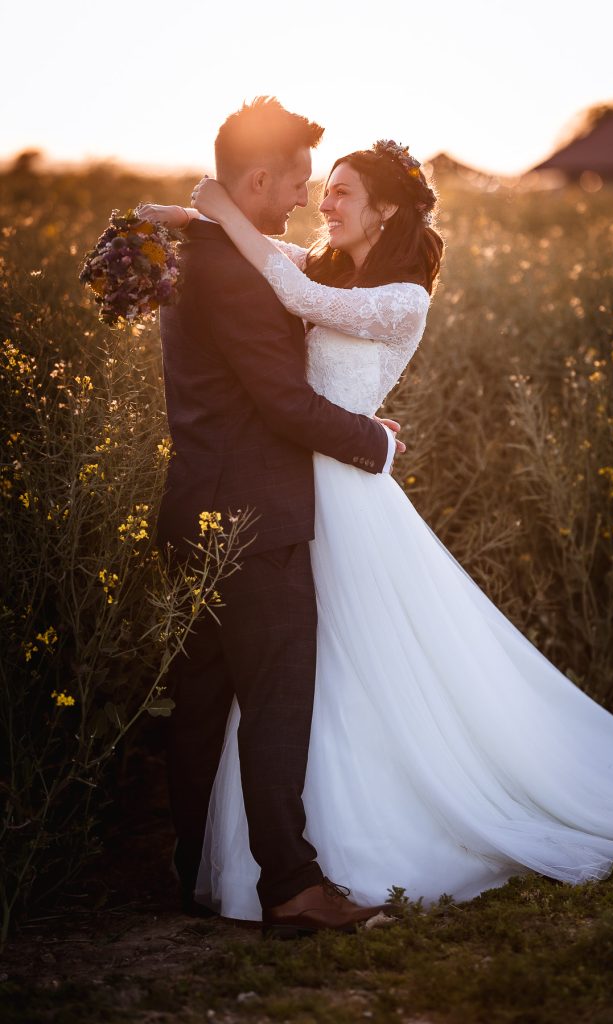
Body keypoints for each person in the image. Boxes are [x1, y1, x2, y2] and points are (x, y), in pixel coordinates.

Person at [145, 125, 613, 929]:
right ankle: (271, 865)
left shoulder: (400, 298)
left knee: (323, 677)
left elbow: (296, 301)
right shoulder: (312, 265)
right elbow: (283, 275)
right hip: (293, 487)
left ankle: (330, 846)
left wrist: (217, 206)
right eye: (316, 184)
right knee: (285, 686)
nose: (321, 201)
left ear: (388, 212)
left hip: (335, 490)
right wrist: (194, 219)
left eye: (341, 192)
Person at [147, 97, 405, 937]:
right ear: (257, 178)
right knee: (274, 702)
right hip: (254, 518)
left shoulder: (197, 250)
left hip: (197, 508)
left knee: (202, 705)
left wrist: (193, 205)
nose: (302, 196)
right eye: (296, 179)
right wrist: (374, 442)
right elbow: (287, 406)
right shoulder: (232, 276)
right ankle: (291, 888)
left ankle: (192, 873)